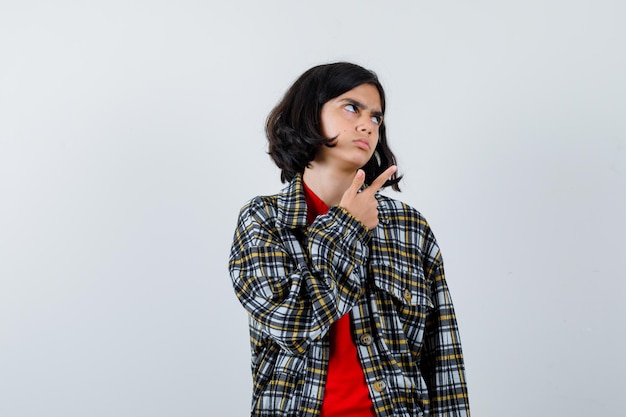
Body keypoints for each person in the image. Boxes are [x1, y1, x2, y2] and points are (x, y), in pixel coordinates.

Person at [228, 62, 470, 417]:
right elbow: (293, 324)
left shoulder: (409, 226)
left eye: (376, 118)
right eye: (351, 107)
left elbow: (442, 357)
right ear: (309, 114)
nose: (366, 125)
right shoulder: (264, 220)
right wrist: (347, 226)